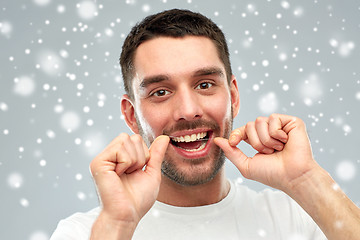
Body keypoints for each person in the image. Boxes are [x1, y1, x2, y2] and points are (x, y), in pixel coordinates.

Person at [51, 9, 360, 240]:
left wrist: (307, 180)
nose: (187, 110)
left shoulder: (299, 219)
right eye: (161, 92)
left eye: (205, 85)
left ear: (234, 97)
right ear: (131, 115)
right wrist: (117, 224)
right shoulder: (82, 232)